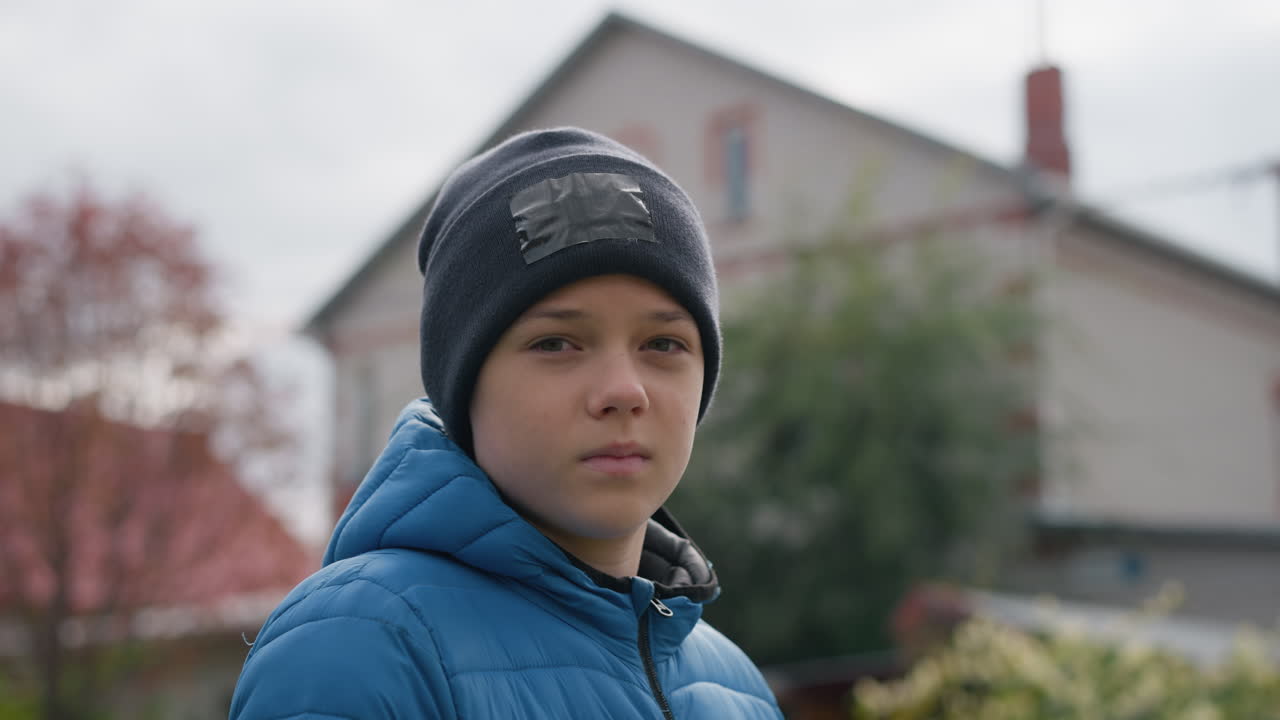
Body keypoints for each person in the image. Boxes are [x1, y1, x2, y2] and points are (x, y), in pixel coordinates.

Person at [229, 127, 783, 719]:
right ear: (463, 385)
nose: (624, 390)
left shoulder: (737, 689)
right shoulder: (359, 646)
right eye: (556, 342)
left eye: (664, 343)